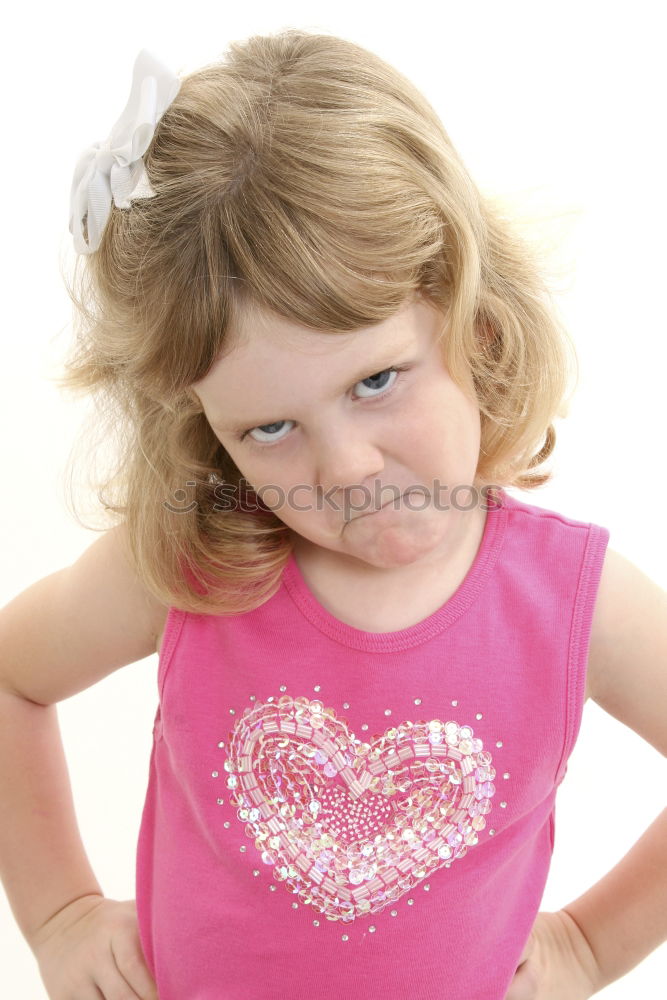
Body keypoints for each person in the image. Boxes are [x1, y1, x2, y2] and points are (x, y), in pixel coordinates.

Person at [0, 29, 665, 1000]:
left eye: (375, 379)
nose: (345, 467)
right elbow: (13, 678)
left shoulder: (574, 602)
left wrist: (591, 946)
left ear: (469, 315)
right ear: (202, 425)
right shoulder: (194, 566)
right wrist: (57, 912)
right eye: (270, 426)